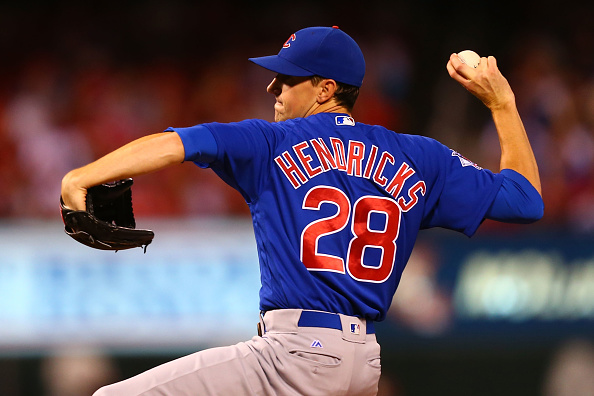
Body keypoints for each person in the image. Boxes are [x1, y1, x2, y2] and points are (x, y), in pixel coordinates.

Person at [61, 26, 543, 396]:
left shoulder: (271, 142)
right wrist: (502, 104)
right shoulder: (420, 156)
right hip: (362, 363)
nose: (273, 87)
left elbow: (176, 143)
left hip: (294, 356)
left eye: (287, 78)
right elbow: (524, 200)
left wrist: (81, 176)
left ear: (324, 88)